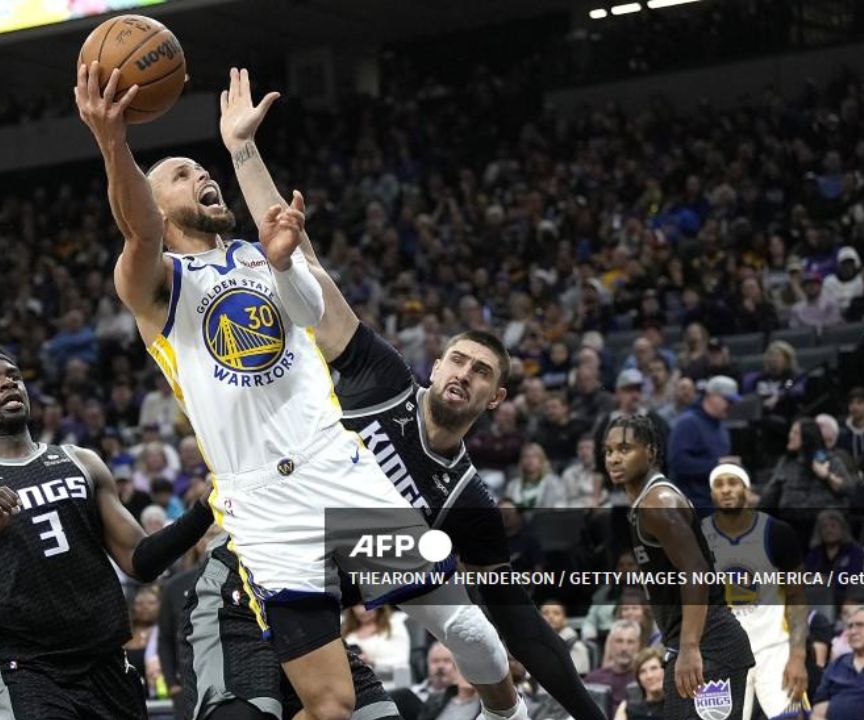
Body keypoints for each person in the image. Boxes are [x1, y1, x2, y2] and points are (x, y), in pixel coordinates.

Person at [179, 67, 605, 720]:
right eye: (457, 359)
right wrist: (243, 151)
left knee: (473, 632)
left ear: (495, 400)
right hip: (264, 558)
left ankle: (507, 716)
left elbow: (524, 630)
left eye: (481, 373)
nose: (463, 373)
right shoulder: (380, 378)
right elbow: (305, 263)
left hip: (349, 560)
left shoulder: (468, 500)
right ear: (435, 364)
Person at [77, 62, 439, 719]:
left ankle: (501, 695)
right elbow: (137, 231)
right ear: (156, 205)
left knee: (445, 620)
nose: (201, 175)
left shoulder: (259, 253)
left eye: (203, 167)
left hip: (330, 475)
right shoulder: (157, 286)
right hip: (261, 525)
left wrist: (243, 148)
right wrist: (113, 143)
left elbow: (314, 289)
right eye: (182, 174)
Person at [0, 341, 217, 719]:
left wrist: (204, 509)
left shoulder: (80, 461)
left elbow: (142, 562)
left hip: (106, 665)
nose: (7, 384)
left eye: (13, 377)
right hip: (29, 672)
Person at [605, 414, 755, 720]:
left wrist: (689, 648)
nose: (614, 458)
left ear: (650, 451)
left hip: (709, 644)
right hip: (692, 644)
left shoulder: (658, 502)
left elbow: (696, 572)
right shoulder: (645, 503)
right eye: (609, 451)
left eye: (624, 448)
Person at [701, 464, 810, 720]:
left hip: (774, 648)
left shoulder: (777, 533)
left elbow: (797, 596)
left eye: (733, 482)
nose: (726, 490)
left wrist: (797, 656)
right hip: (721, 653)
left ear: (747, 490)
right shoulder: (699, 536)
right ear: (711, 493)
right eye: (719, 484)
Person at [667, 376, 738, 513]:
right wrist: (717, 465)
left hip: (714, 502)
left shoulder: (721, 427)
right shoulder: (688, 423)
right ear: (711, 396)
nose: (730, 406)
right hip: (691, 506)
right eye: (727, 400)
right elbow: (678, 463)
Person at [810, 606, 864, 720]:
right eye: (850, 626)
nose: (853, 631)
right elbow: (817, 711)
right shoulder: (836, 666)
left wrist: (836, 708)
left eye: (860, 625)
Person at [584, 619, 644, 717]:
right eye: (619, 641)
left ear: (638, 645)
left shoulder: (645, 678)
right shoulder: (593, 679)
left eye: (630, 642)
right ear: (610, 644)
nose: (624, 648)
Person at [613, 647, 668, 720]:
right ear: (638, 679)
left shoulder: (676, 707)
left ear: (665, 671)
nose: (649, 676)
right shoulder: (626, 708)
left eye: (654, 668)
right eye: (643, 671)